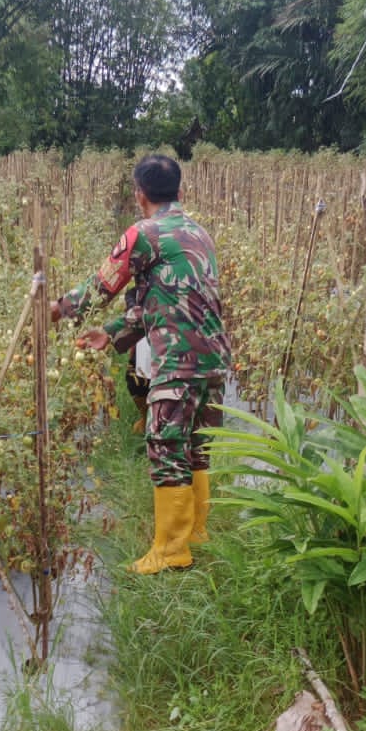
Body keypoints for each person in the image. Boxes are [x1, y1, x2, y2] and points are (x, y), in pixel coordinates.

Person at [52, 154, 231, 574]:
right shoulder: (198, 233)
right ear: (180, 193)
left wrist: (55, 309)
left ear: (139, 195)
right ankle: (197, 531)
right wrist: (113, 334)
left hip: (179, 361)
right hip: (214, 359)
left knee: (165, 447)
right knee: (196, 446)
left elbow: (99, 288)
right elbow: (169, 299)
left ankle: (171, 551)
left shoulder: (144, 234)